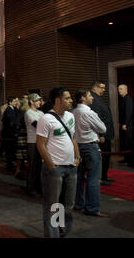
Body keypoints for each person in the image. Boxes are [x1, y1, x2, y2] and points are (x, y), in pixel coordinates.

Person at [36, 87, 80, 238]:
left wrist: (78, 157)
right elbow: (40, 144)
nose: (71, 101)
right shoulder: (46, 119)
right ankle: (52, 234)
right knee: (53, 206)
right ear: (58, 100)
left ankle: (63, 231)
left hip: (71, 167)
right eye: (67, 98)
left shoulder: (70, 116)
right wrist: (51, 166)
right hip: (55, 169)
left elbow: (73, 138)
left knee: (67, 205)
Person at [73, 89, 109, 217]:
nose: (92, 98)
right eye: (89, 96)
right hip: (90, 147)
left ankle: (78, 204)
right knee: (93, 178)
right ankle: (92, 208)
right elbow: (102, 128)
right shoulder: (89, 112)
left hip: (77, 147)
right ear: (83, 98)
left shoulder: (73, 112)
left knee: (79, 177)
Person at [89, 81, 115, 185]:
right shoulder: (94, 99)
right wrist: (101, 135)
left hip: (106, 133)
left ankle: (104, 176)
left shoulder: (98, 98)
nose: (104, 90)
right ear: (95, 87)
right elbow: (97, 118)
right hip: (102, 135)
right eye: (102, 88)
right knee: (102, 157)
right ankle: (101, 178)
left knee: (106, 157)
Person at [25, 93, 44, 196]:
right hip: (32, 141)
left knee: (40, 166)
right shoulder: (29, 113)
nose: (39, 102)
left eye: (39, 100)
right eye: (37, 100)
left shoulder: (41, 113)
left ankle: (39, 187)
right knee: (33, 165)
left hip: (41, 141)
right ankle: (31, 188)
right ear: (31, 101)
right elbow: (38, 125)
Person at [2, 97, 19, 171]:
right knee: (9, 150)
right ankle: (9, 166)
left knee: (10, 150)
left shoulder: (12, 109)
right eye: (14, 101)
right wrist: (13, 130)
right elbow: (9, 122)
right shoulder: (9, 110)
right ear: (10, 102)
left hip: (10, 133)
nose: (16, 103)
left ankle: (10, 164)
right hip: (9, 133)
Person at [118, 84, 133, 167]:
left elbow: (128, 112)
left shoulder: (128, 99)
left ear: (126, 90)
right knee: (124, 142)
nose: (119, 90)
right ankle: (126, 159)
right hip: (124, 124)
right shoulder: (123, 99)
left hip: (128, 125)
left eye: (121, 89)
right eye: (118, 89)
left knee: (128, 143)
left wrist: (125, 124)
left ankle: (130, 161)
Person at [15, 97, 29, 179]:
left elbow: (17, 122)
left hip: (21, 134)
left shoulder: (21, 111)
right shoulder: (27, 112)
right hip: (27, 134)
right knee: (25, 153)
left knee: (20, 154)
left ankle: (18, 169)